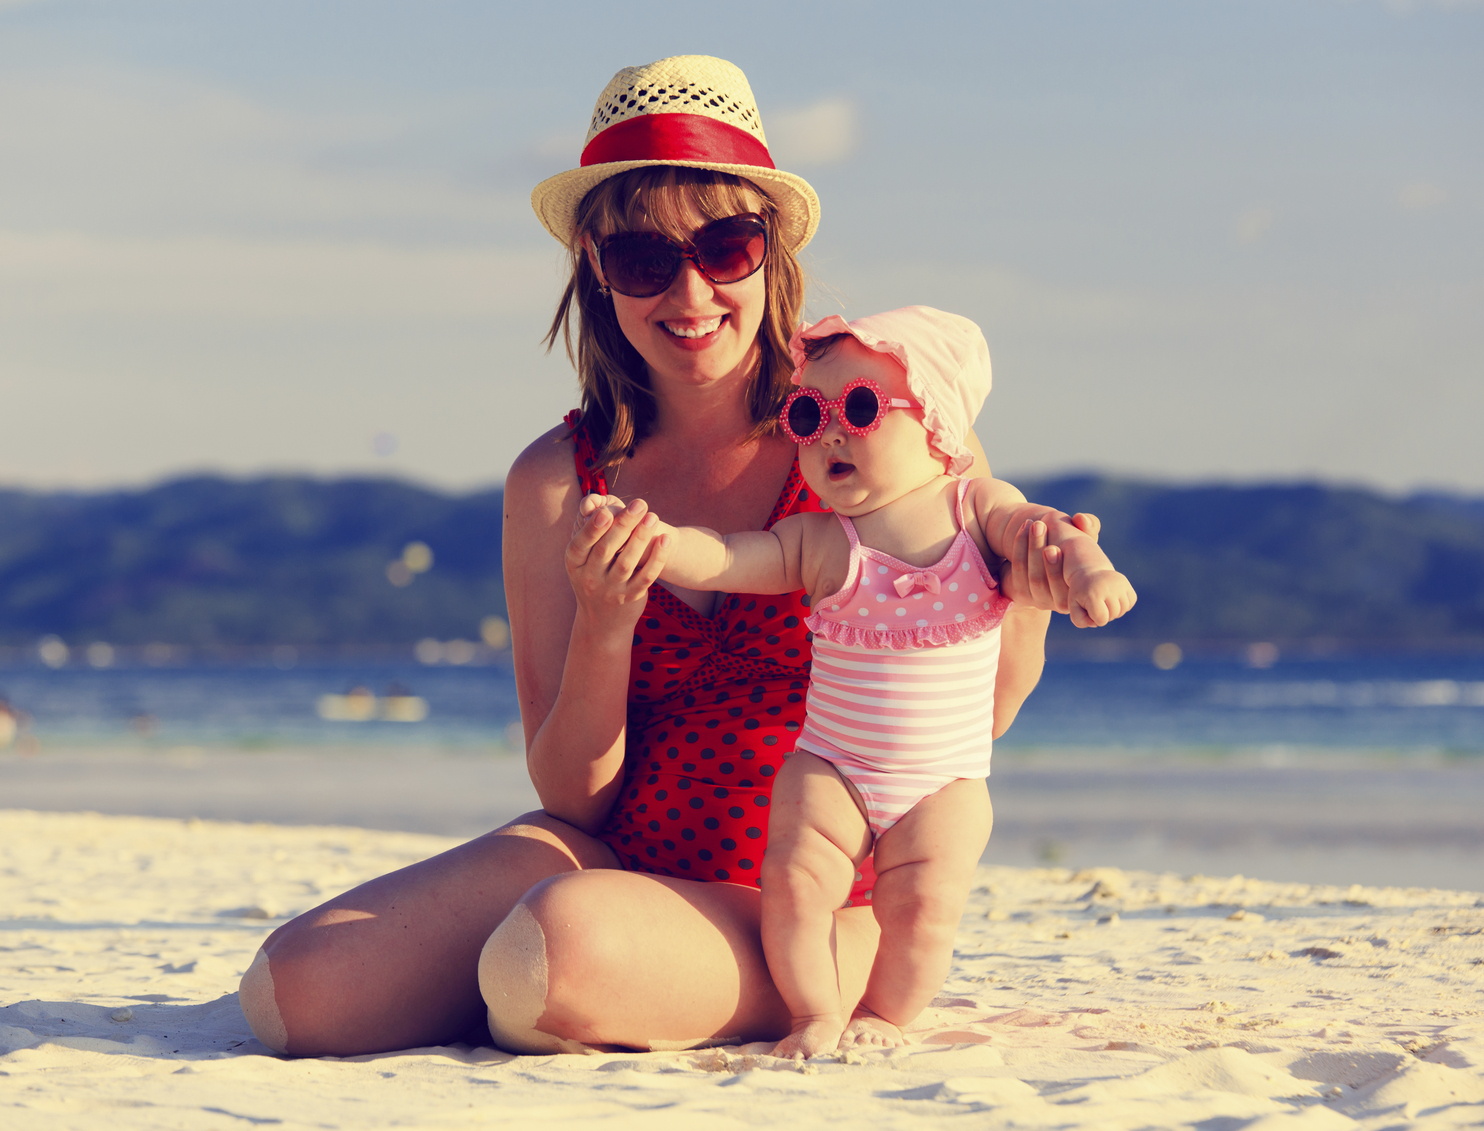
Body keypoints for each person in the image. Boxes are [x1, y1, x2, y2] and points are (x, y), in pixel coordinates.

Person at [237, 55, 1102, 1058]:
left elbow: (983, 698)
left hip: (819, 881)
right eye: (643, 260)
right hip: (614, 847)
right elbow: (572, 794)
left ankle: (736, 974)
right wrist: (606, 622)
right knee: (295, 995)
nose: (688, 290)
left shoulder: (876, 436)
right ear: (596, 273)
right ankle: (620, 980)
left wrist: (1034, 581)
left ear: (771, 251)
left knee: (549, 955)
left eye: (724, 246)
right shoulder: (555, 483)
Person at [585, 307, 1135, 1057]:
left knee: (924, 907)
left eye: (863, 408)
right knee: (794, 877)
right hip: (831, 763)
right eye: (808, 415)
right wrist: (657, 541)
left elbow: (1049, 536)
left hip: (941, 779)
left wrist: (1090, 572)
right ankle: (813, 1012)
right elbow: (726, 557)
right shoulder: (820, 541)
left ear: (937, 425)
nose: (830, 432)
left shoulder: (977, 508)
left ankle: (882, 1012)